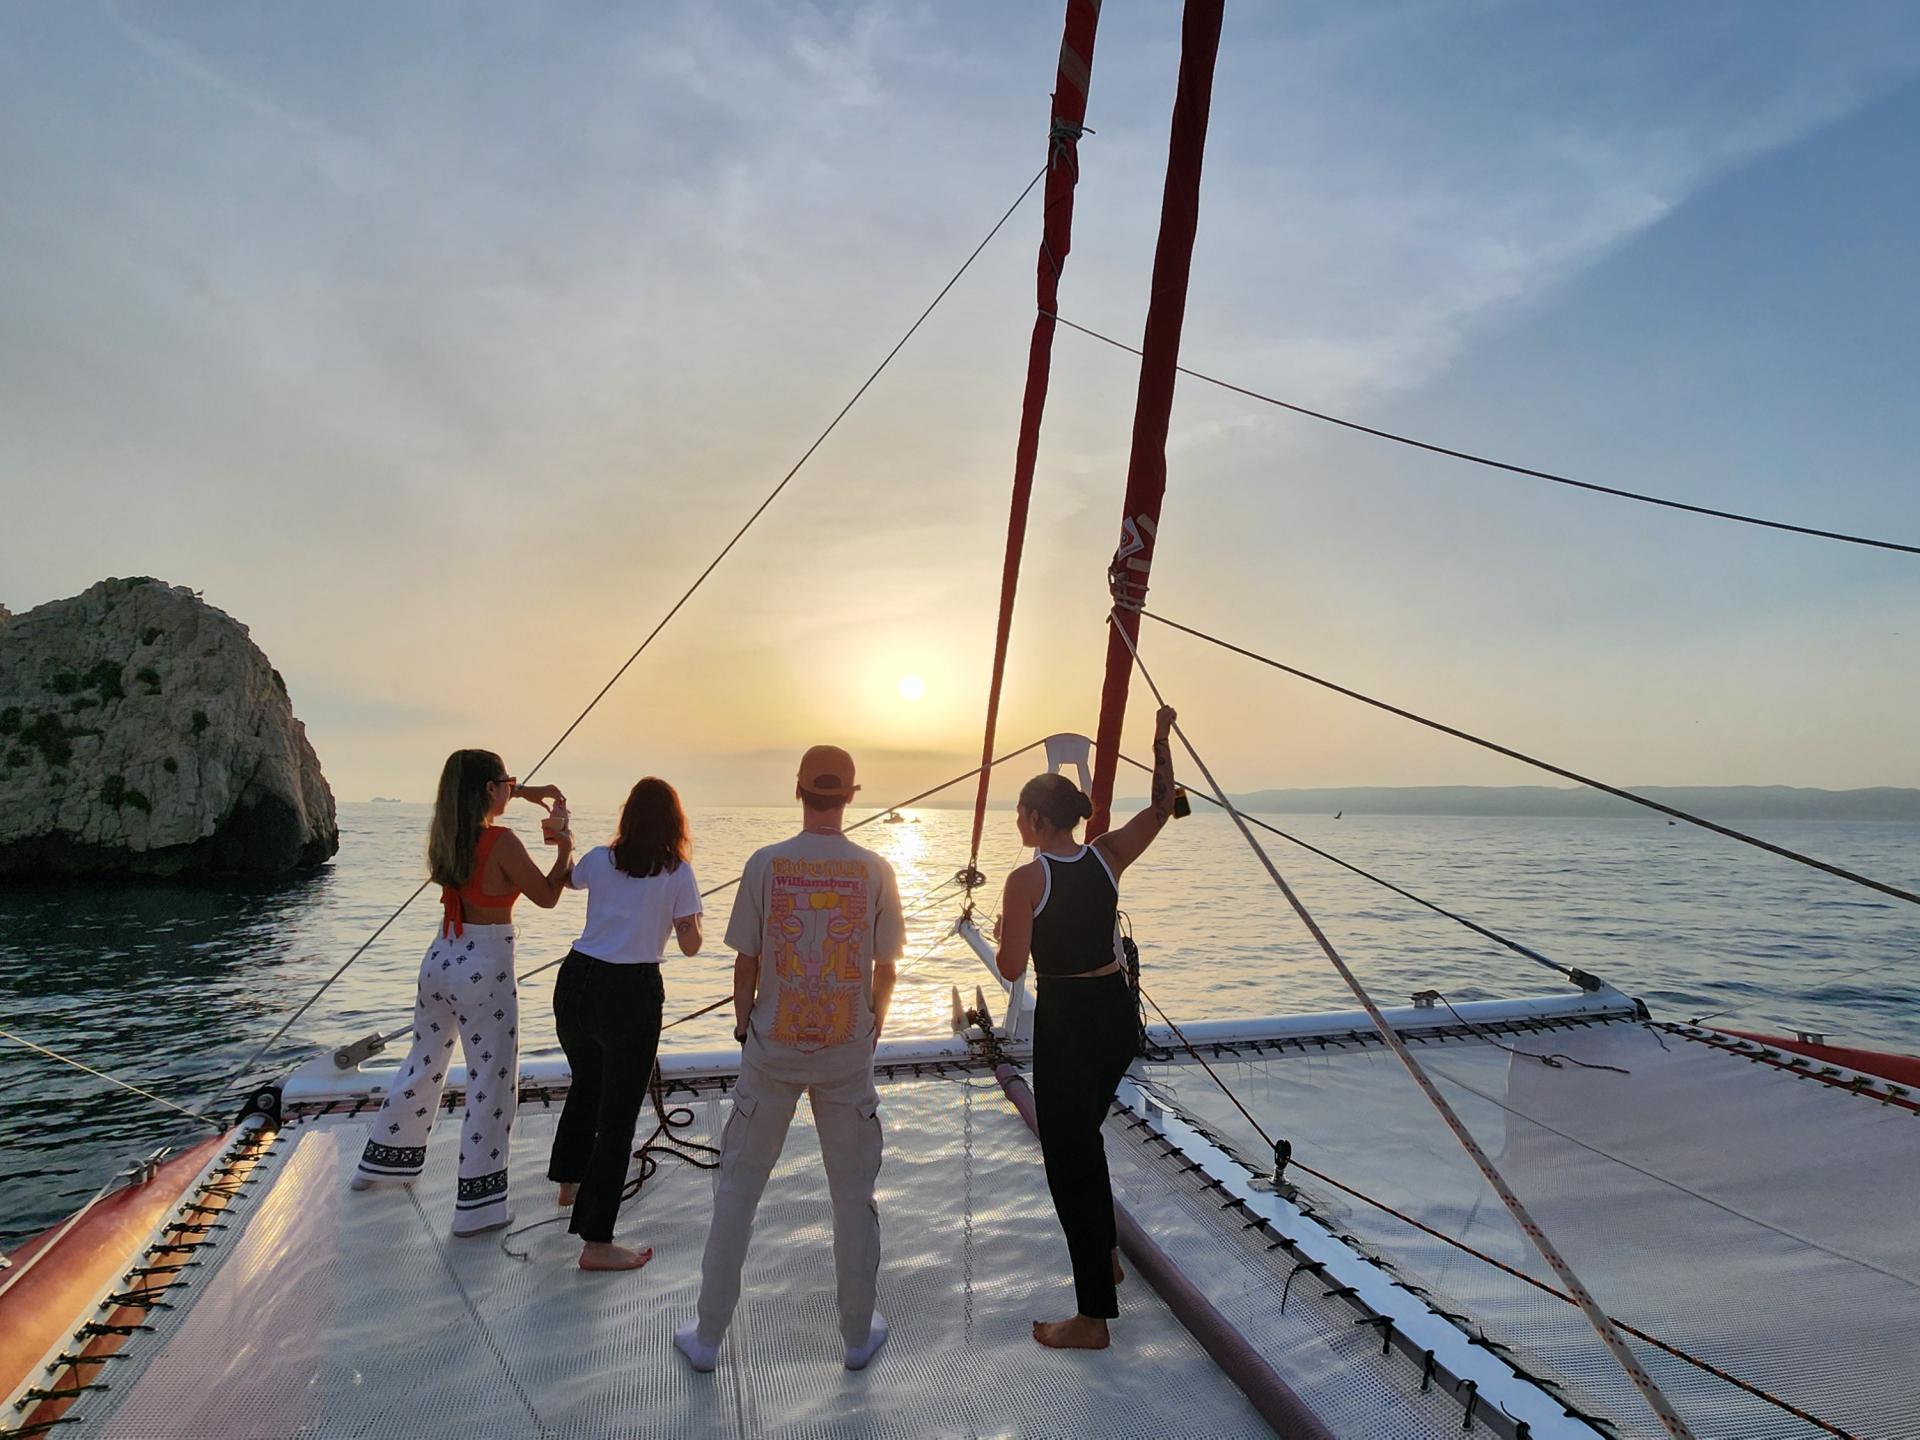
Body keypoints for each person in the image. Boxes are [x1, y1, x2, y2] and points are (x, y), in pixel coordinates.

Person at [676, 745, 902, 1374]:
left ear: (797, 790)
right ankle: (857, 1338)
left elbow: (745, 961)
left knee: (738, 1194)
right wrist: (872, 1026)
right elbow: (885, 969)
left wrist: (746, 1023)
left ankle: (708, 1337)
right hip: (845, 1052)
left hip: (771, 1050)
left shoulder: (766, 863)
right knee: (852, 1198)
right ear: (851, 796)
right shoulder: (876, 869)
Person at [993, 706, 1180, 1350]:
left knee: (1067, 1165)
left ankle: (1093, 1317)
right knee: (1084, 1142)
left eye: (1020, 814)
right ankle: (1106, 1257)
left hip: (1069, 1023)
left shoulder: (1024, 880)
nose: (1016, 824)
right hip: (1115, 1015)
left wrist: (1001, 935)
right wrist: (1159, 741)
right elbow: (1161, 809)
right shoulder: (1106, 858)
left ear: (1040, 820)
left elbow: (1012, 967)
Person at [350, 749, 572, 1235]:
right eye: (505, 783)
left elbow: (486, 800)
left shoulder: (446, 835)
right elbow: (549, 896)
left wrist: (525, 791)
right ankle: (479, 1207)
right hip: (484, 965)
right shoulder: (502, 841)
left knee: (424, 1063)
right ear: (489, 790)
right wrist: (563, 846)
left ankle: (381, 1163)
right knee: (491, 1080)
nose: (511, 789)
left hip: (440, 959)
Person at [547, 777, 704, 1272]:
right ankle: (596, 1243)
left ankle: (568, 1186)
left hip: (575, 980)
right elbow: (690, 945)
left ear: (628, 816)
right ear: (675, 823)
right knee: (617, 1118)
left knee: (586, 1083)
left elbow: (570, 879)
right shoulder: (678, 873)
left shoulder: (600, 858)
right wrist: (690, 920)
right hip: (630, 991)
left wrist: (565, 842)